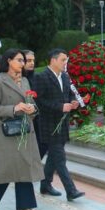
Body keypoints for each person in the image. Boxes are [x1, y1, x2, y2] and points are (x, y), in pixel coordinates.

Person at [0, 49, 43, 210]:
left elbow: (30, 102)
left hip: (24, 129)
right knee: (8, 167)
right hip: (5, 132)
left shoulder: (24, 81)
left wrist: (32, 109)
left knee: (24, 165)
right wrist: (14, 108)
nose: (23, 63)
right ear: (9, 61)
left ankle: (25, 206)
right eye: (19, 60)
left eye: (23, 61)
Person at [34, 49, 86, 200]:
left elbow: (68, 94)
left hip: (62, 124)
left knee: (54, 157)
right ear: (53, 60)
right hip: (49, 124)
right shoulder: (42, 77)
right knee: (60, 157)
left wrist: (72, 102)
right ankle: (71, 190)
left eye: (66, 60)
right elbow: (38, 101)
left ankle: (45, 184)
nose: (65, 63)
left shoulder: (64, 76)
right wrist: (59, 106)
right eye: (63, 60)